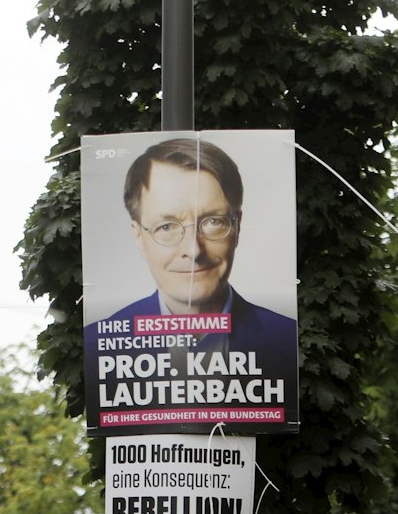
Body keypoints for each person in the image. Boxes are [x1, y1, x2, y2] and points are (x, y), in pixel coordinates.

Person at [88, 136, 299, 400]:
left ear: (238, 227)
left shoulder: (286, 338)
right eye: (166, 226)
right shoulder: (96, 343)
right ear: (139, 236)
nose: (194, 250)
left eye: (213, 222)